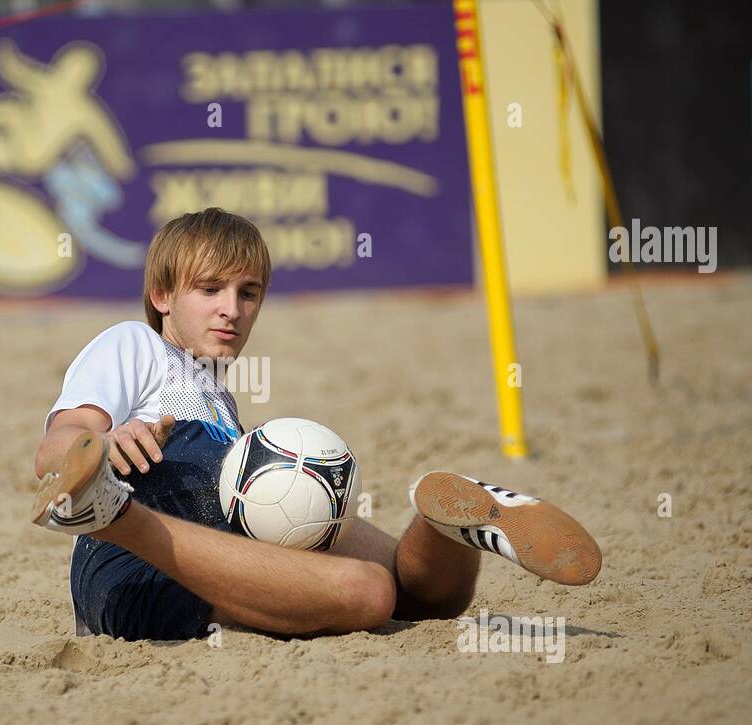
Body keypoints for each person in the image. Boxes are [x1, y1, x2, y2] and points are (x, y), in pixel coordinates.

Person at [31, 207, 601, 641]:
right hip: (134, 568)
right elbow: (56, 448)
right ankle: (114, 513)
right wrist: (98, 445)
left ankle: (446, 523)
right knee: (368, 592)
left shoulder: (217, 396)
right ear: (161, 296)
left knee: (425, 597)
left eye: (248, 293)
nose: (232, 308)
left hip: (224, 544)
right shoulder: (132, 344)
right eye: (210, 290)